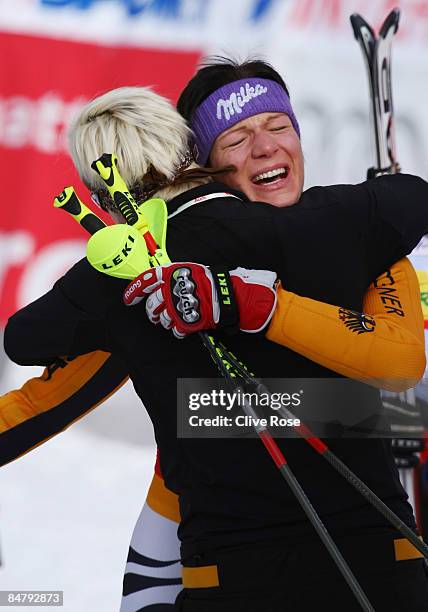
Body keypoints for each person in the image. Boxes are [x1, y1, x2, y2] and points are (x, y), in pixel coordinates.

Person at [3, 64, 428, 611]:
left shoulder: (123, 277)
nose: (264, 148)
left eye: (278, 126)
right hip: (377, 561)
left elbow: (25, 342)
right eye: (236, 137)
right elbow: (408, 199)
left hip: (235, 570)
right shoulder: (341, 222)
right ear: (197, 157)